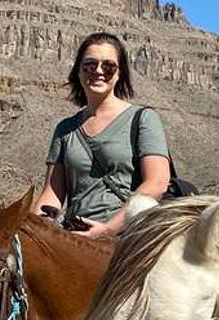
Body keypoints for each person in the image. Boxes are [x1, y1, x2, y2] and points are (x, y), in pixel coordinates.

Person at [30, 33, 174, 239]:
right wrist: (34, 230)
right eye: (90, 64)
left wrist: (107, 230)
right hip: (75, 237)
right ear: (78, 70)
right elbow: (51, 194)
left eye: (108, 66)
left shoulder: (143, 119)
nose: (98, 71)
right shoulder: (65, 129)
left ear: (119, 73)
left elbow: (157, 183)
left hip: (129, 237)